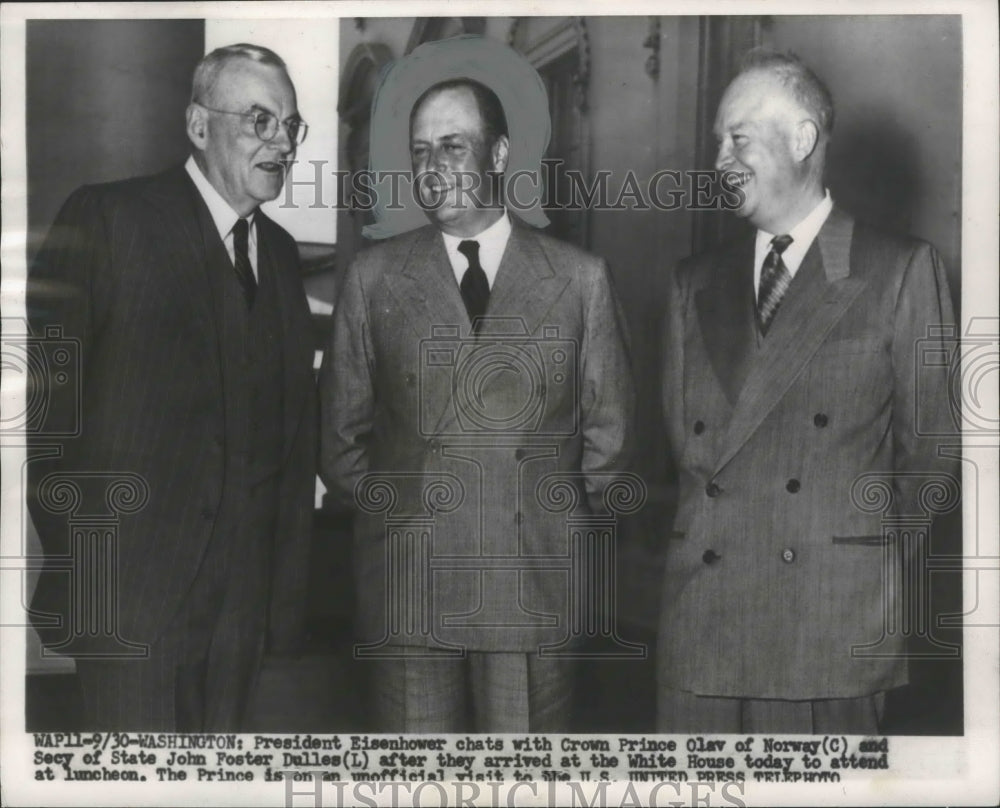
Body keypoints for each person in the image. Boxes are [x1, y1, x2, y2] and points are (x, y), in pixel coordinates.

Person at [321, 74, 634, 732]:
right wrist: (406, 515)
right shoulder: (373, 278)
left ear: (498, 156)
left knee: (520, 783)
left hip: (531, 587)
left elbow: (610, 447)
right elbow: (341, 446)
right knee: (415, 783)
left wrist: (547, 527)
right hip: (412, 588)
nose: (432, 169)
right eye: (421, 151)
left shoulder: (579, 279)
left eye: (453, 147)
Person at [658, 49, 957, 733]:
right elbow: (687, 447)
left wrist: (858, 567)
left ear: (802, 139)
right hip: (701, 623)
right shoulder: (691, 281)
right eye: (716, 143)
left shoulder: (900, 270)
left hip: (825, 628)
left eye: (737, 138)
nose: (719, 160)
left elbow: (933, 457)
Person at [27, 43, 317, 731]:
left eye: (289, 125)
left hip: (240, 617)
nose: (280, 143)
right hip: (130, 605)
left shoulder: (277, 254)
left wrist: (276, 605)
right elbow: (43, 414)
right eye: (258, 121)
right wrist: (101, 577)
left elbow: (290, 439)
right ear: (197, 126)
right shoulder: (108, 219)